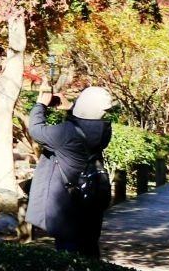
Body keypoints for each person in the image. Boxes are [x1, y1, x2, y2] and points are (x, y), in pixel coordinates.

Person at [26, 85, 115, 257]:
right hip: (89, 202)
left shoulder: (66, 134)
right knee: (89, 249)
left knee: (69, 254)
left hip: (67, 205)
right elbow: (84, 123)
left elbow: (36, 130)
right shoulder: (104, 130)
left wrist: (40, 105)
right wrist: (69, 107)